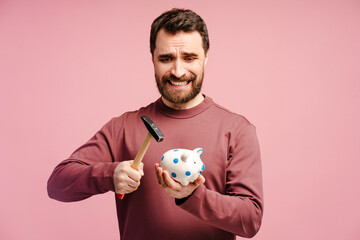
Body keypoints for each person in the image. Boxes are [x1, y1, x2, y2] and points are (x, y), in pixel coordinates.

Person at [47, 8, 263, 240]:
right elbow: (57, 185)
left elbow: (250, 221)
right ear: (152, 58)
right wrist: (109, 176)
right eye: (166, 58)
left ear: (206, 57)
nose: (178, 71)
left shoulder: (238, 130)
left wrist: (193, 195)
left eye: (189, 58)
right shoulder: (123, 127)